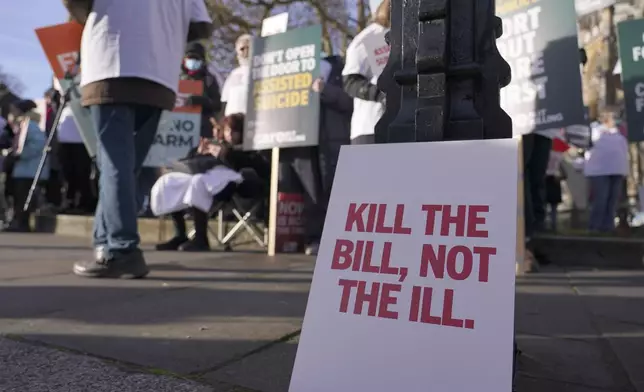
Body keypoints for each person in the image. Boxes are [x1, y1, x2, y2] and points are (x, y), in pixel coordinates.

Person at [63, 0, 213, 278]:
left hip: (112, 62)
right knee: (125, 166)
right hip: (160, 74)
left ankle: (122, 249)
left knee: (114, 164)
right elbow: (200, 26)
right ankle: (105, 241)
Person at [154, 113, 269, 251]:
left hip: (231, 185)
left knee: (198, 182)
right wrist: (199, 152)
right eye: (227, 131)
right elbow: (194, 162)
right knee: (169, 181)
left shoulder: (250, 148)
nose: (230, 135)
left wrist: (223, 154)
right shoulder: (217, 143)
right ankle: (180, 234)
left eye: (235, 131)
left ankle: (201, 239)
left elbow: (255, 166)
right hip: (206, 178)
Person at [281, 54, 353, 255]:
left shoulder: (341, 71)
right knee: (311, 192)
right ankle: (314, 238)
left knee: (332, 189)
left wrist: (325, 91)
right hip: (303, 142)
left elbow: (350, 102)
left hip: (332, 141)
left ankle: (336, 238)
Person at [342, 0, 389, 144]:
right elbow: (350, 82)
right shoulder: (368, 38)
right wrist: (381, 94)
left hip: (399, 124)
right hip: (370, 128)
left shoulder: (405, 34)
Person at [2, 100, 50, 232]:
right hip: (23, 169)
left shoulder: (31, 125)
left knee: (23, 198)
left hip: (28, 169)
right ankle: (18, 222)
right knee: (18, 197)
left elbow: (38, 145)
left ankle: (22, 224)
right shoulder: (23, 124)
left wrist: (19, 155)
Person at [584, 108, 629, 233]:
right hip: (599, 171)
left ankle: (608, 226)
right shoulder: (593, 130)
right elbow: (585, 144)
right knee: (601, 199)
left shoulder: (621, 131)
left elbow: (624, 149)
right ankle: (594, 226)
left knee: (613, 199)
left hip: (617, 169)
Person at [181, 42, 222, 136]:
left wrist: (202, 101)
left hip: (202, 127)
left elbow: (217, 104)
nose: (193, 61)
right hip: (179, 126)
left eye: (196, 59)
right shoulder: (177, 78)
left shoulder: (209, 79)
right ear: (184, 60)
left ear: (202, 61)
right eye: (190, 58)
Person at [221, 34, 251, 116]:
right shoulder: (234, 74)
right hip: (234, 119)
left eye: (248, 48)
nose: (246, 52)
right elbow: (225, 99)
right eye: (242, 49)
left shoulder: (261, 70)